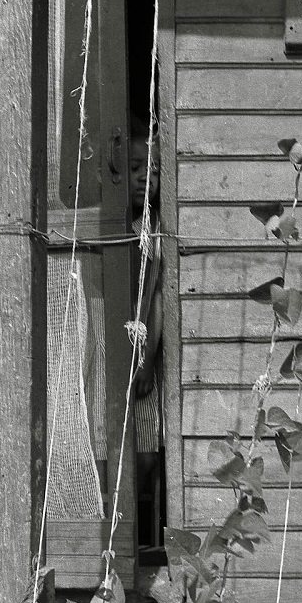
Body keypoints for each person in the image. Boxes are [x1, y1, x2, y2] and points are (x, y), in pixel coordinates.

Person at [129, 124, 164, 548]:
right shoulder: (110, 222)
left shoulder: (153, 228)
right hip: (105, 349)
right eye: (136, 166)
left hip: (143, 353)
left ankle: (140, 540)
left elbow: (156, 297)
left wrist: (149, 359)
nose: (144, 177)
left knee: (148, 454)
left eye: (153, 170)